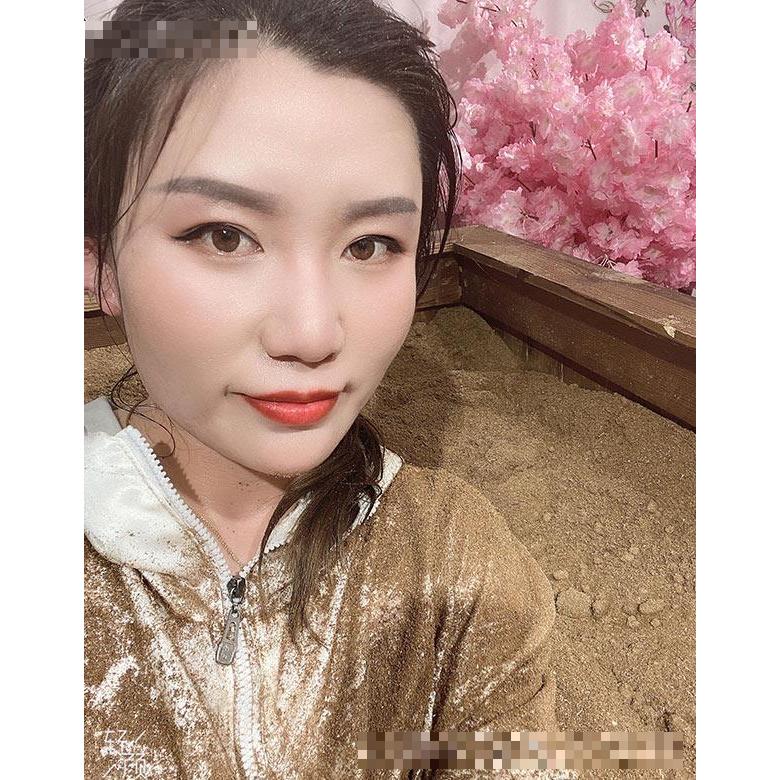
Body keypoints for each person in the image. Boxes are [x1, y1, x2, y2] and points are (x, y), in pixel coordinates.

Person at [84, 1, 569, 777]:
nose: (312, 335)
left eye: (370, 245)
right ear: (99, 262)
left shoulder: (460, 569)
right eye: (225, 236)